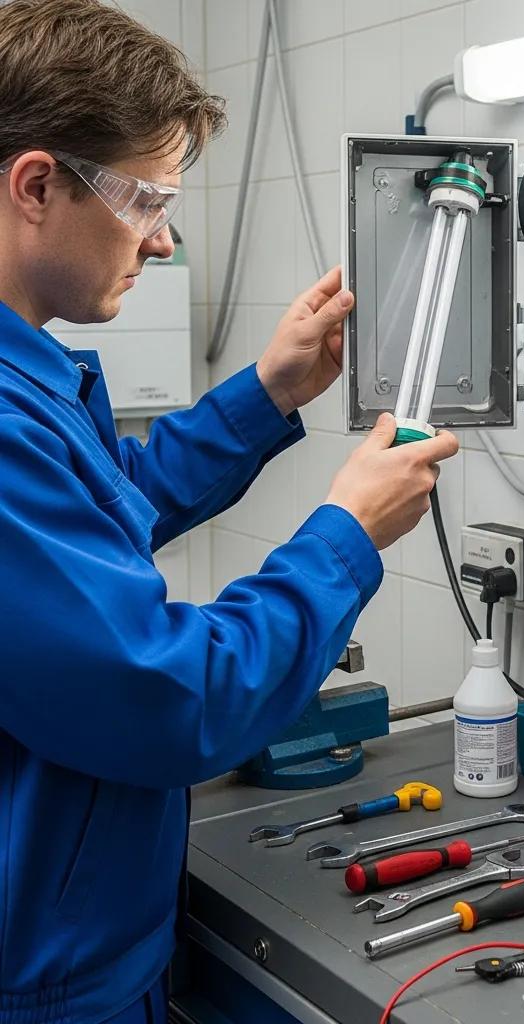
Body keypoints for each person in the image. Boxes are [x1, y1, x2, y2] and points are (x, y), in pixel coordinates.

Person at [0, 2, 460, 1021]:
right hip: (42, 984)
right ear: (36, 186)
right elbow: (169, 697)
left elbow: (99, 510)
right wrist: (345, 537)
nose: (163, 240)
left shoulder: (28, 379)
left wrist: (266, 392)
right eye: (146, 200)